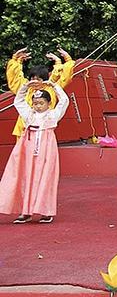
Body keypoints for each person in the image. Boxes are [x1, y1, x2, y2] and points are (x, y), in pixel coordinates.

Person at [0, 79, 69, 223]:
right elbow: (18, 101)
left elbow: (64, 101)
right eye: (35, 103)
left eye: (41, 103)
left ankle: (46, 211)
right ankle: (25, 211)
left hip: (46, 150)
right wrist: (25, 87)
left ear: (49, 104)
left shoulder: (53, 115)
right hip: (28, 150)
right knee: (26, 177)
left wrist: (54, 86)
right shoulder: (29, 115)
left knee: (45, 177)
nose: (38, 106)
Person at [6, 48, 74, 139]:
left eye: (38, 79)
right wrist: (16, 59)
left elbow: (63, 77)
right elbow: (14, 78)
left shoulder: (51, 88)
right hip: (24, 130)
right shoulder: (26, 88)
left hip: (43, 130)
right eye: (32, 78)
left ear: (44, 80)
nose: (35, 81)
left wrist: (65, 60)